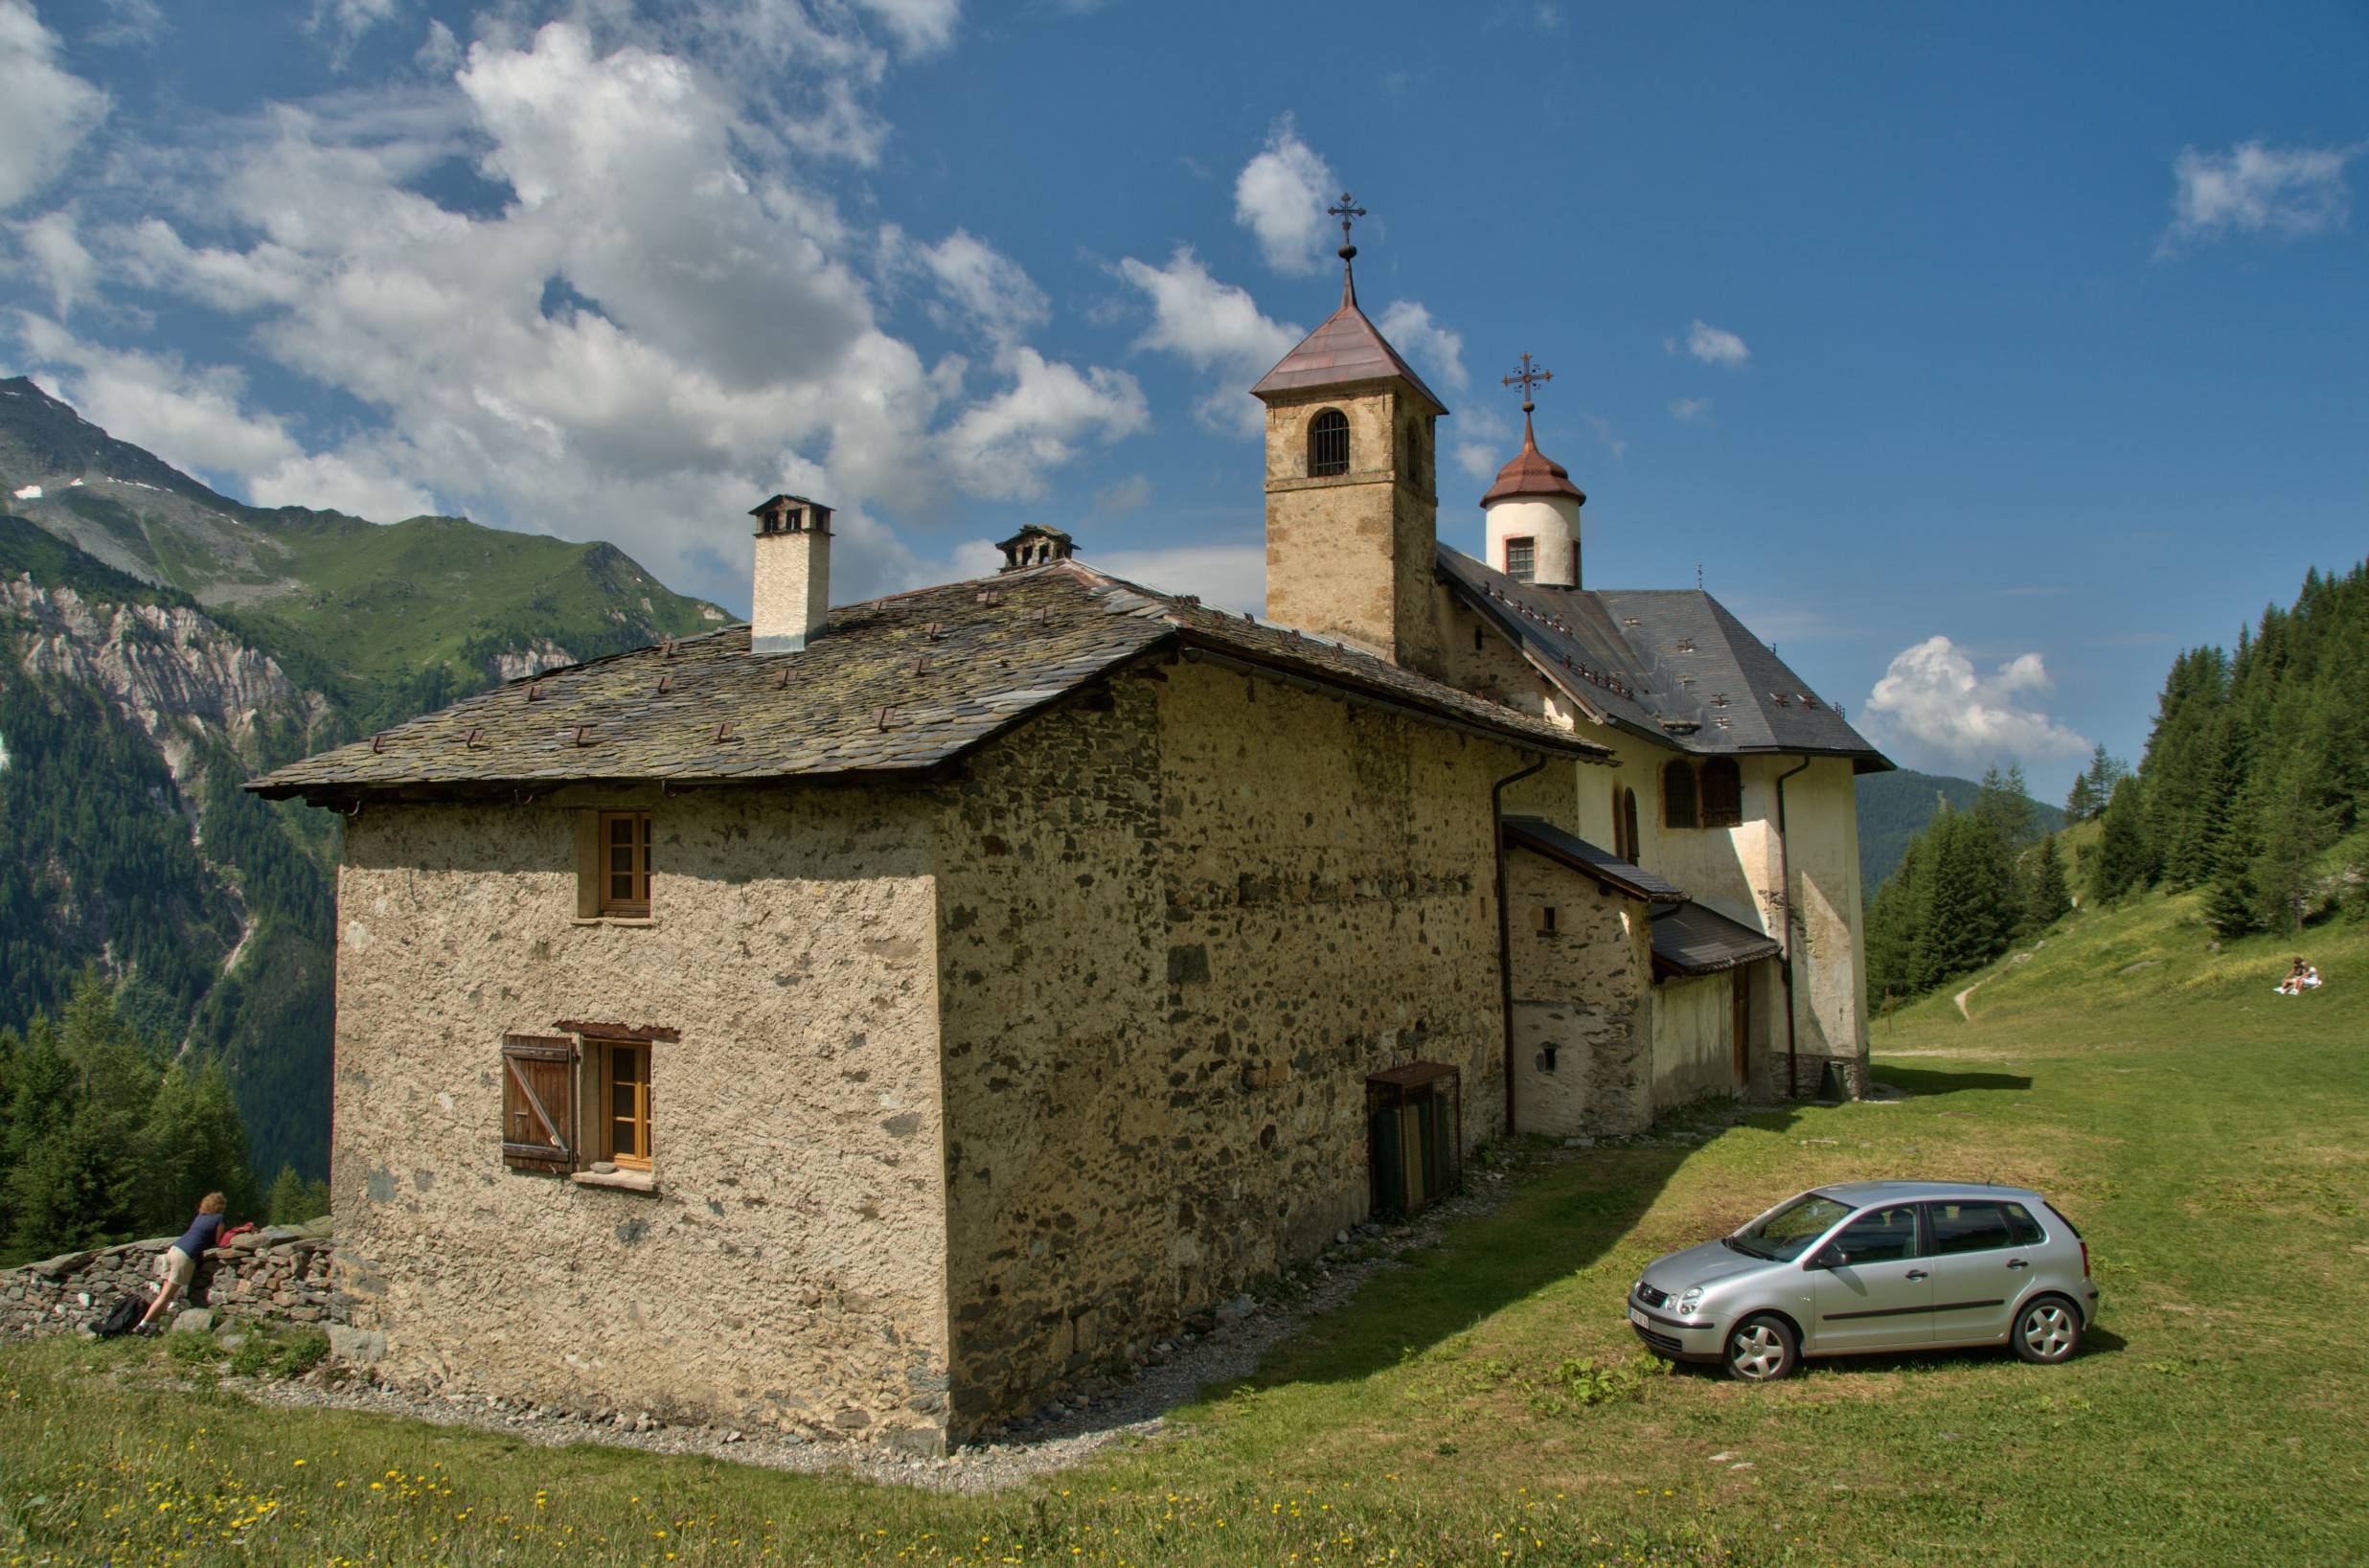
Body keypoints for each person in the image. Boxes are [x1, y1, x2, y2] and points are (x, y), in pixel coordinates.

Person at [137, 1192, 228, 1333]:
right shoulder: (218, 1219)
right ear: (220, 1205)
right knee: (166, 1295)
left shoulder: (200, 1217)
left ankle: (151, 1326)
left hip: (174, 1250)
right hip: (184, 1256)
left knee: (164, 1294)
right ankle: (142, 1325)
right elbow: (218, 1241)